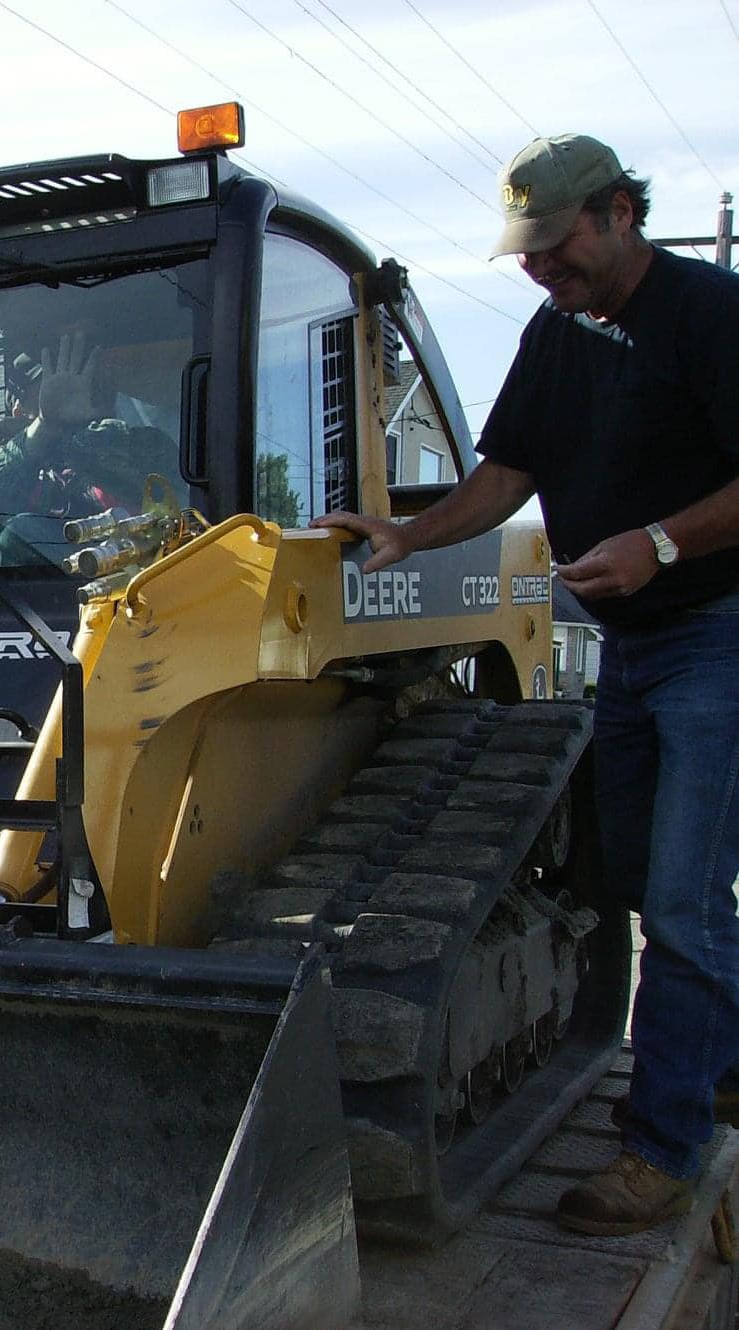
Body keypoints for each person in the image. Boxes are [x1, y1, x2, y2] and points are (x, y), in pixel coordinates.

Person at [317, 133, 739, 1236]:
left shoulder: (711, 313)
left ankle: (662, 1147)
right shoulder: (558, 335)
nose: (542, 272)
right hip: (636, 647)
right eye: (529, 255)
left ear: (616, 214)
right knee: (645, 875)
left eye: (557, 249)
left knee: (688, 904)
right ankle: (718, 1056)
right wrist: (409, 535)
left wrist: (659, 542)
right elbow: (507, 473)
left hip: (716, 633)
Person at [0, 330, 176, 566]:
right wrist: (42, 429)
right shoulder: (29, 467)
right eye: (49, 389)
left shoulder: (133, 439)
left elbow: (157, 463)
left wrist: (62, 433)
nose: (62, 395)